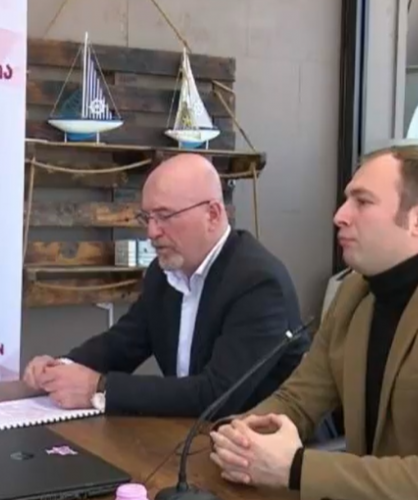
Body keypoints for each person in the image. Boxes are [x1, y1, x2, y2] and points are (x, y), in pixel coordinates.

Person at [208, 145, 418, 500]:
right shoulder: (355, 292)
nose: (340, 215)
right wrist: (239, 437)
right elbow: (298, 399)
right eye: (346, 200)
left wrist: (296, 468)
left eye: (363, 202)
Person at [21, 153, 308, 419]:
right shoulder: (163, 274)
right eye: (147, 217)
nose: (151, 232)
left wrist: (99, 389)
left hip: (261, 445)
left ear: (212, 214)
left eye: (165, 216)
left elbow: (217, 395)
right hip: (187, 437)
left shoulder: (258, 283)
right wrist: (61, 368)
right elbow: (123, 344)